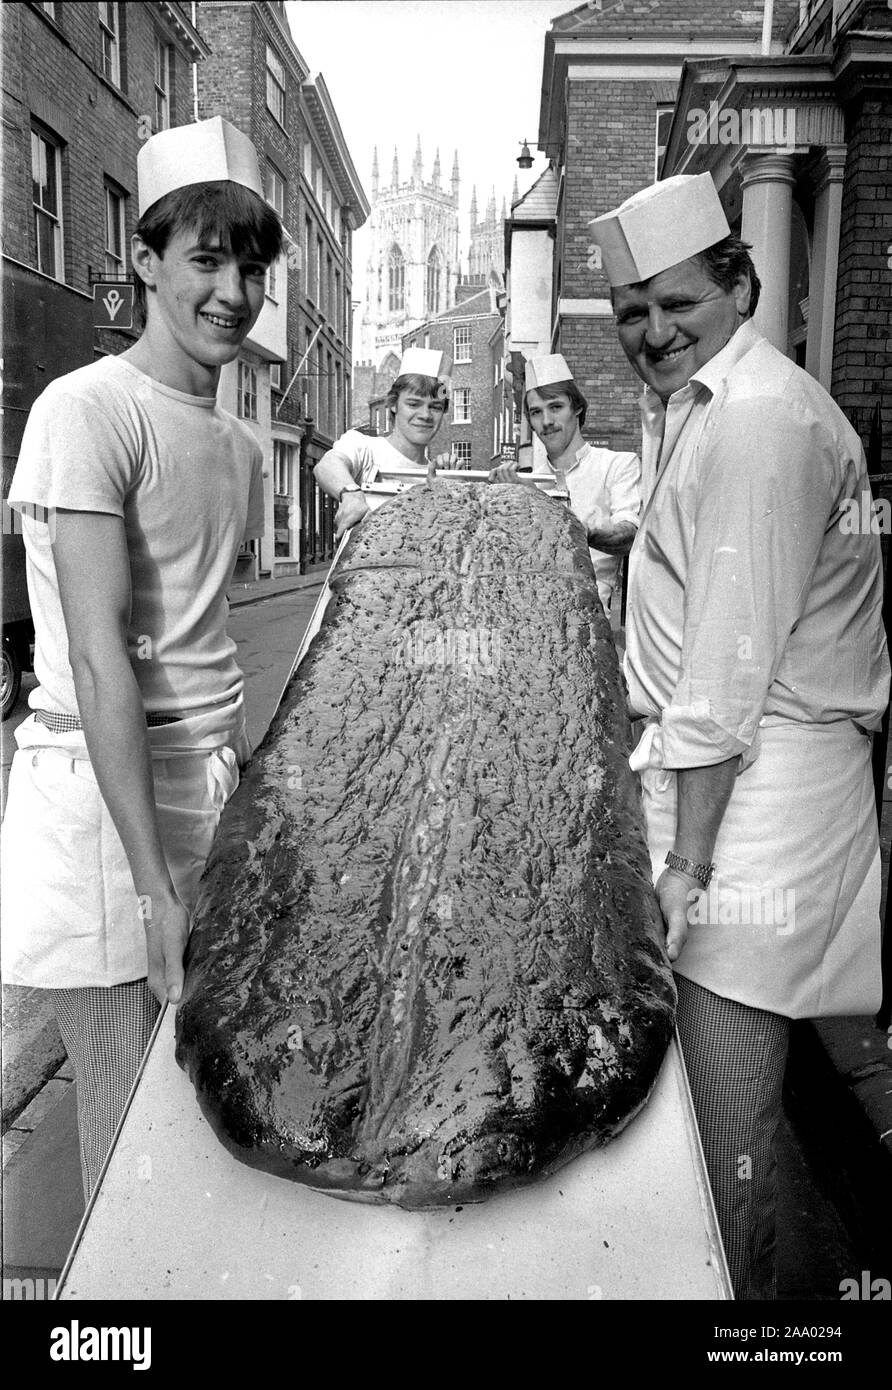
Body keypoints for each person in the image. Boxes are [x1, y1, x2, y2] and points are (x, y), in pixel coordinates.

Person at [588, 172, 889, 1299]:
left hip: (756, 807)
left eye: (675, 303)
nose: (652, 332)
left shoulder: (759, 422)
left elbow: (719, 685)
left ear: (739, 283)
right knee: (742, 1104)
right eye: (630, 311)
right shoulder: (698, 407)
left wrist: (688, 865)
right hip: (727, 784)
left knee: (730, 1135)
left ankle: (750, 1318)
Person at [1, 116, 284, 1197]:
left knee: (199, 1118)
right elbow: (101, 657)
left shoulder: (238, 442)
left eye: (251, 267)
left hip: (204, 787)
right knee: (124, 1141)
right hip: (102, 803)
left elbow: (207, 644)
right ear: (148, 259)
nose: (232, 291)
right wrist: (157, 883)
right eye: (206, 259)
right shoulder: (88, 410)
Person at [488, 353, 640, 616]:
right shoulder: (529, 481)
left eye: (556, 407)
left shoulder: (617, 465)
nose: (546, 421)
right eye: (536, 412)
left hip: (589, 623)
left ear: (577, 408)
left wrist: (568, 523)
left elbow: (630, 537)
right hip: (531, 621)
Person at [315, 347, 454, 539]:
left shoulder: (439, 473)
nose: (425, 415)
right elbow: (326, 465)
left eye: (435, 407)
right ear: (394, 404)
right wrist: (350, 494)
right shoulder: (365, 447)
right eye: (413, 404)